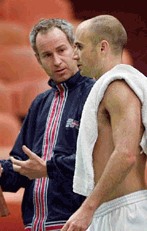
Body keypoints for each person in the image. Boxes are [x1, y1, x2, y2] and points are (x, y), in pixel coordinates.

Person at [0, 18, 95, 231]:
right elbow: (23, 165)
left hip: (78, 224)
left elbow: (97, 161)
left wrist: (48, 168)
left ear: (75, 48)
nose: (57, 61)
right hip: (34, 225)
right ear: (38, 60)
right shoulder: (40, 103)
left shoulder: (95, 95)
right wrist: (0, 170)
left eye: (61, 50)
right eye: (47, 55)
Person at [62, 15, 147, 231]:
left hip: (126, 215)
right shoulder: (109, 87)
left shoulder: (118, 87)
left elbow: (126, 154)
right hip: (109, 211)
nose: (73, 55)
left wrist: (87, 208)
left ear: (102, 47)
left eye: (79, 47)